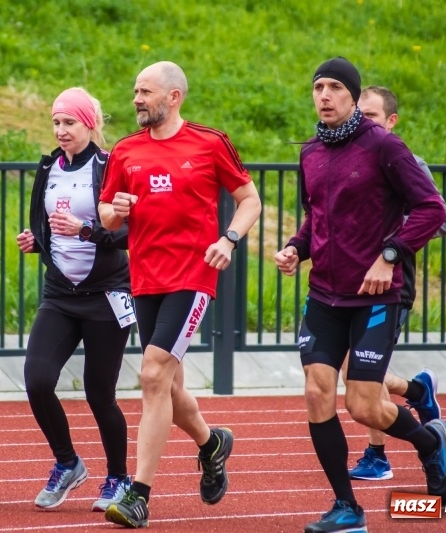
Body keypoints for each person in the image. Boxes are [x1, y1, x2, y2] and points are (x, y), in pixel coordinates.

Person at [274, 57, 446, 533]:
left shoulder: (384, 146)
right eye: (319, 87)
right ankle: (347, 507)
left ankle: (429, 443)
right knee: (317, 392)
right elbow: (316, 217)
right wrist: (296, 248)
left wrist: (390, 255)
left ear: (354, 97)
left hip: (374, 295)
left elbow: (431, 209)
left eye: (335, 87)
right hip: (324, 294)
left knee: (363, 406)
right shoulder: (311, 151)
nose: (325, 95)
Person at [98, 61, 262, 528]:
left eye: (145, 91)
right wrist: (116, 208)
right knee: (169, 385)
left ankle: (139, 496)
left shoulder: (209, 143)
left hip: (193, 276)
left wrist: (228, 239)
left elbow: (250, 199)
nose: (136, 99)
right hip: (144, 278)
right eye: (135, 90)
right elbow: (107, 214)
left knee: (152, 375)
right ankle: (212, 443)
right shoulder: (125, 150)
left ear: (173, 97)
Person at [15, 87, 133, 512]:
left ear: (90, 124)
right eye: (56, 122)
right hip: (60, 294)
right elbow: (48, 224)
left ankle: (118, 477)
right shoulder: (49, 167)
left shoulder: (110, 166)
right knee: (37, 379)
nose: (61, 130)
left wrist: (84, 230)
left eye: (70, 122)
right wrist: (38, 241)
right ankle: (67, 463)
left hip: (106, 294)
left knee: (99, 394)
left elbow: (128, 233)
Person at [346, 85, 446, 482]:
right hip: (346, 284)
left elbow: (443, 219)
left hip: (391, 284)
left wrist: (391, 236)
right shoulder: (344, 158)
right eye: (358, 115)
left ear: (391, 121)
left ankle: (378, 454)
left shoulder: (406, 160)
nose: (362, 123)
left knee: (364, 375)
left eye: (371, 116)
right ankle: (416, 390)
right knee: (353, 371)